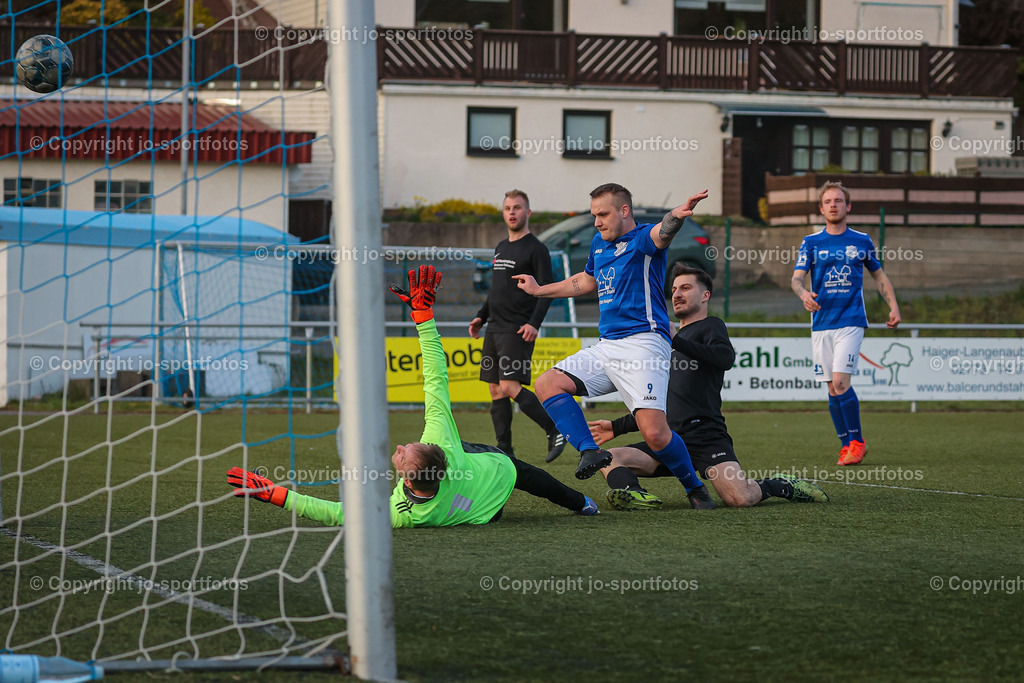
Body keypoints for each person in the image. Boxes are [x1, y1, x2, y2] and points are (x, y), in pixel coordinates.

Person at [227, 266, 598, 527]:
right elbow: (435, 375)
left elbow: (339, 515)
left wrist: (277, 495)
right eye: (408, 449)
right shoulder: (439, 441)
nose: (403, 446)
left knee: (517, 483)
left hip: (487, 510)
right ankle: (584, 504)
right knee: (535, 480)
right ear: (412, 475)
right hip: (498, 470)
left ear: (407, 481)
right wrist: (424, 316)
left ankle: (580, 502)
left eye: (405, 451)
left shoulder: (404, 514)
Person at [515, 182, 715, 510]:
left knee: (655, 435)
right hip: (607, 345)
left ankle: (694, 487)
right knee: (547, 383)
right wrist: (539, 290)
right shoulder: (598, 244)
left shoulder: (642, 240)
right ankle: (589, 450)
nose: (597, 222)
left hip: (644, 345)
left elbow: (663, 233)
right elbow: (585, 281)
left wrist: (676, 217)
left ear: (624, 211)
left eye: (603, 214)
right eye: (594, 215)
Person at [588, 264, 830, 509]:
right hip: (668, 439)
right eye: (673, 289)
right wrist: (617, 427)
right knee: (607, 458)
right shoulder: (662, 342)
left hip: (705, 436)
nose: (677, 294)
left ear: (705, 295)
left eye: (686, 288)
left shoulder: (710, 326)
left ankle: (781, 485)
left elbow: (725, 358)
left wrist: (676, 340)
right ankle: (636, 496)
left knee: (740, 498)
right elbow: (660, 401)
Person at [792, 181, 901, 466]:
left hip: (851, 320)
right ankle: (845, 445)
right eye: (828, 201)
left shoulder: (861, 240)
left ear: (847, 206)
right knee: (831, 388)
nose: (833, 205)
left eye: (839, 200)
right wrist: (804, 293)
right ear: (821, 208)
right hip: (821, 323)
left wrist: (893, 306)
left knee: (841, 382)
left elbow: (878, 276)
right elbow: (796, 278)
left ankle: (857, 441)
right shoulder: (811, 242)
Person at [468, 189, 566, 463]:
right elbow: (496, 291)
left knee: (510, 386)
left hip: (517, 328)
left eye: (518, 207)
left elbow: (546, 290)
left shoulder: (537, 249)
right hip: (494, 328)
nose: (512, 212)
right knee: (495, 389)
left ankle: (554, 429)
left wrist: (534, 323)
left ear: (528, 212)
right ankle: (505, 449)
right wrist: (481, 317)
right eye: (508, 207)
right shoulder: (501, 247)